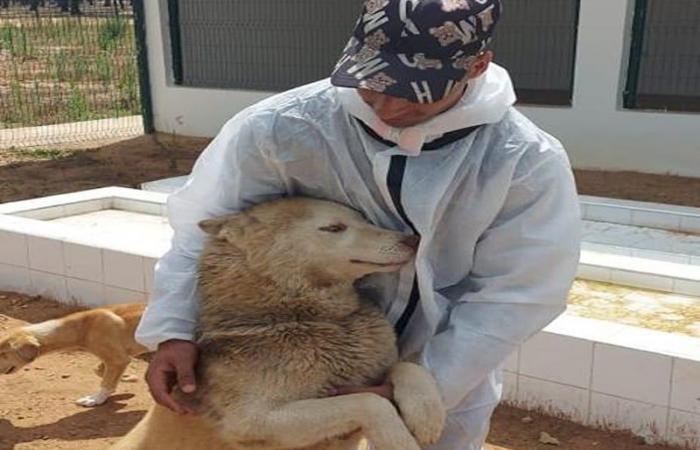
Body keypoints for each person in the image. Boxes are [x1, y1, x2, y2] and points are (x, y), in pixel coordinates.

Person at [135, 1, 581, 448]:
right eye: (373, 81)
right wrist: (172, 331)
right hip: (289, 360)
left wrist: (436, 381)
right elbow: (207, 233)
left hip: (446, 359)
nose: (386, 104)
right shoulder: (283, 128)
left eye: (413, 90)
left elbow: (520, 290)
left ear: (477, 66)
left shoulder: (520, 159)